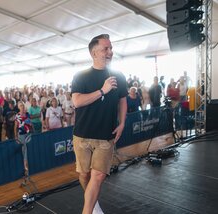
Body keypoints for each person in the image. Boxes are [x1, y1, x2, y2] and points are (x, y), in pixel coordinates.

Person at [71, 34, 127, 214]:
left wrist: (123, 123)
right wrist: (102, 90)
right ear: (94, 52)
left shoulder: (118, 75)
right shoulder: (81, 76)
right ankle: (92, 203)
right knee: (84, 175)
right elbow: (77, 102)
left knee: (99, 175)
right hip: (82, 135)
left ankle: (87, 211)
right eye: (106, 48)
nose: (110, 52)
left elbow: (122, 100)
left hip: (106, 135)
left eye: (111, 48)